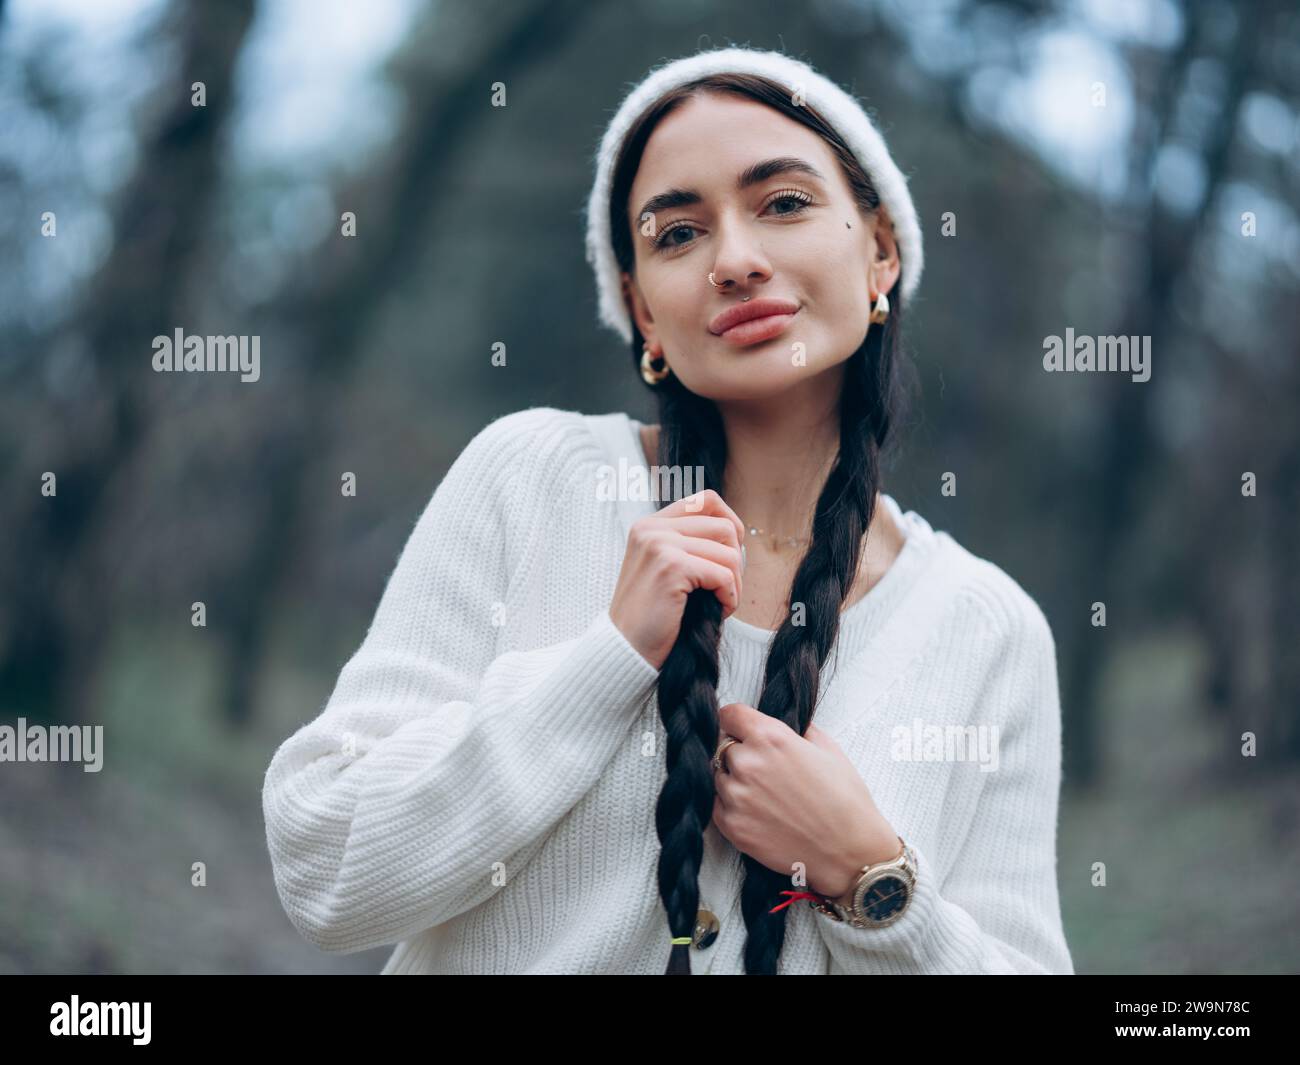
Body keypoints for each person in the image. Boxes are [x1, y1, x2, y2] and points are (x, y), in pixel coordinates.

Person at [261, 46, 1074, 975]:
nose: (734, 260)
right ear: (642, 311)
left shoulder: (990, 630)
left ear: (880, 249)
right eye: (677, 234)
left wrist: (870, 877)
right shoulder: (530, 479)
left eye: (784, 203)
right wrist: (603, 661)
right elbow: (324, 864)